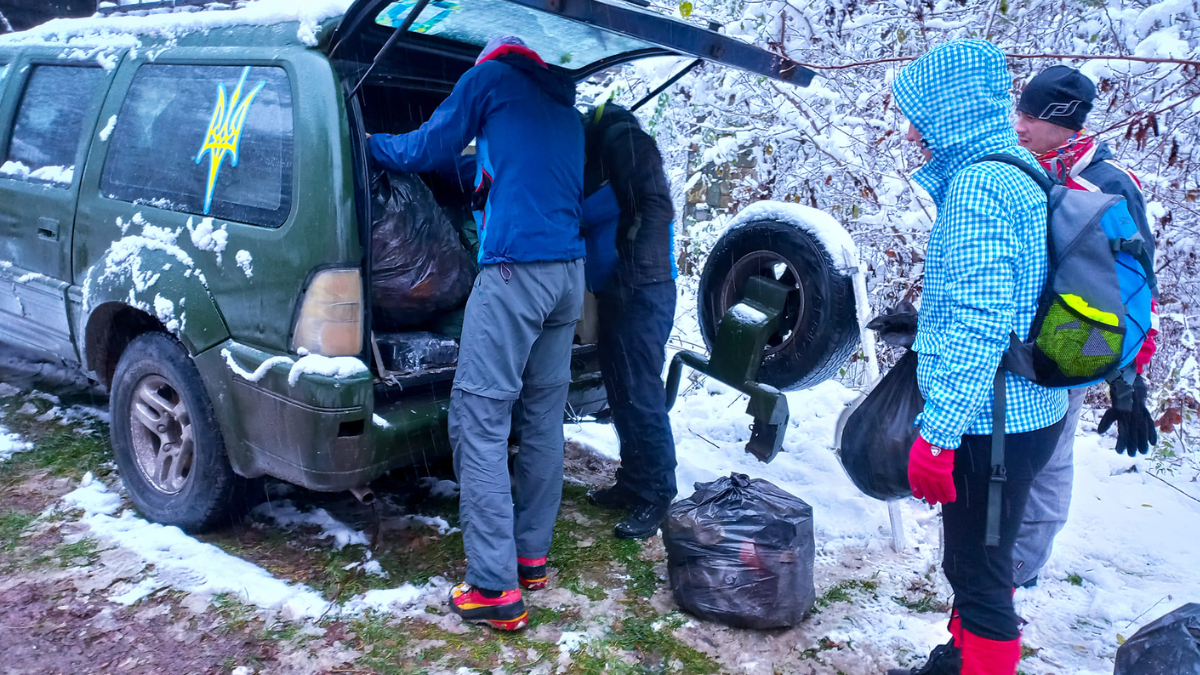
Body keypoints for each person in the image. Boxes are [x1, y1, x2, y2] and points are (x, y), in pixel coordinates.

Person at [369, 35, 585, 631]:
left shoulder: (488, 80)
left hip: (515, 271)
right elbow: (500, 167)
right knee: (541, 416)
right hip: (568, 275)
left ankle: (493, 587)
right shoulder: (564, 107)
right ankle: (529, 556)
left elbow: (427, 145)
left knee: (477, 417)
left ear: (488, 62)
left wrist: (366, 144)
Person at [887, 40, 1069, 675]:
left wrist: (937, 435)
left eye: (917, 113)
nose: (909, 130)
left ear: (949, 108)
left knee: (981, 574)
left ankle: (981, 658)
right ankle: (956, 659)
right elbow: (1007, 294)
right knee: (974, 559)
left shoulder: (977, 186)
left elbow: (978, 321)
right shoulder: (1015, 167)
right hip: (1024, 408)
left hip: (994, 422)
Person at [1010, 65, 1159, 589]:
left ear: (1067, 122)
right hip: (1020, 338)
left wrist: (1126, 384)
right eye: (1019, 111)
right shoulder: (1030, 166)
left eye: (1032, 116)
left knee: (1048, 456)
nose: (1020, 124)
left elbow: (1137, 288)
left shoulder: (1109, 184)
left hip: (1074, 337)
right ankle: (990, 558)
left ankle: (1020, 570)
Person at [578, 102, 679, 539]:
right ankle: (634, 480)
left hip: (641, 291)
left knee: (641, 393)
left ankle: (658, 492)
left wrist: (631, 272)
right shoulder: (607, 148)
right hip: (621, 290)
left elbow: (655, 206)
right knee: (621, 394)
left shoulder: (625, 141)